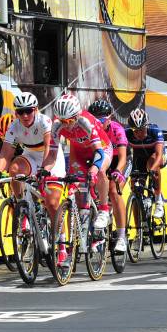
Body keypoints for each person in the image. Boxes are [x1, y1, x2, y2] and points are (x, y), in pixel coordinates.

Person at [44, 92, 116, 265]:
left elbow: (98, 152)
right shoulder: (57, 125)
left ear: (76, 116)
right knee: (75, 191)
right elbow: (52, 154)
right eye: (62, 121)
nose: (66, 126)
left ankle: (104, 209)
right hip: (78, 152)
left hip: (101, 149)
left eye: (69, 121)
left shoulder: (87, 122)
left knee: (98, 172)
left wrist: (92, 169)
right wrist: (44, 171)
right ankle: (71, 245)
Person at [0, 92, 65, 220]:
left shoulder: (44, 121)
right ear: (16, 113)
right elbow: (6, 153)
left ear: (36, 110)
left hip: (51, 157)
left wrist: (44, 170)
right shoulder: (14, 126)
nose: (25, 115)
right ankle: (22, 205)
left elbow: (48, 147)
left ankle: (60, 238)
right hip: (31, 155)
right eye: (21, 112)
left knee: (52, 204)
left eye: (29, 111)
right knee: (15, 169)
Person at [87, 98, 129, 252]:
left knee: (113, 191)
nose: (98, 123)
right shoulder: (89, 129)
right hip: (100, 159)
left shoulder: (117, 129)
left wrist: (118, 170)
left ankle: (122, 237)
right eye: (95, 120)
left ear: (110, 118)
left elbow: (123, 157)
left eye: (102, 120)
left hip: (119, 160)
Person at [125, 107, 167, 218]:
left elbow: (158, 155)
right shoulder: (127, 134)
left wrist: (153, 170)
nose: (138, 133)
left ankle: (158, 202)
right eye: (135, 130)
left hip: (156, 156)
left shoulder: (154, 130)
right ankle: (139, 228)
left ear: (146, 126)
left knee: (153, 163)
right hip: (139, 158)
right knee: (135, 188)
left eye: (142, 129)